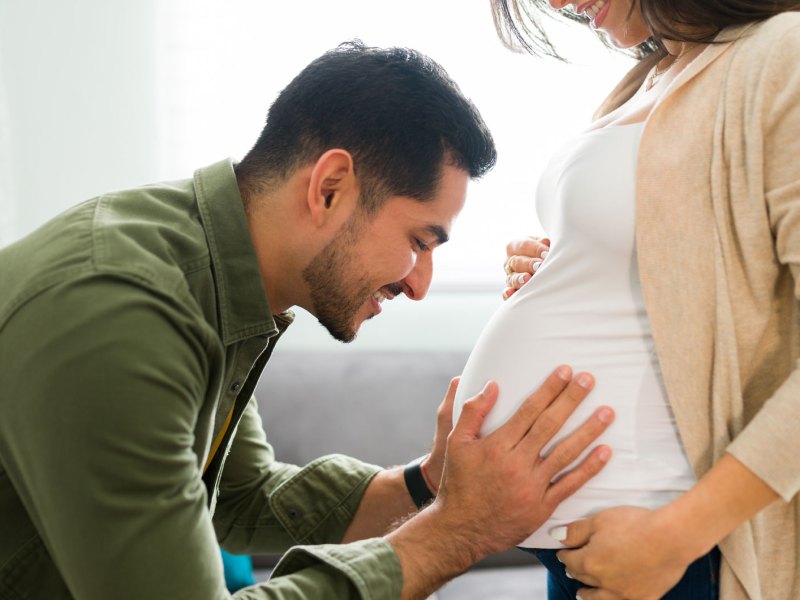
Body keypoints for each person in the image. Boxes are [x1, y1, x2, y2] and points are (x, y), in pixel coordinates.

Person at [0, 42, 616, 599]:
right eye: (419, 241)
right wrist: (456, 532)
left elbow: (242, 498)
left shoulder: (218, 280)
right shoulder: (122, 311)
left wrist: (433, 483)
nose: (420, 284)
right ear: (330, 187)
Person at [454, 1, 800, 598]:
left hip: (675, 548)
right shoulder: (645, 76)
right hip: (584, 548)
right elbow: (684, 267)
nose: (558, 3)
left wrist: (676, 537)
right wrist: (568, 259)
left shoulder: (781, 52)